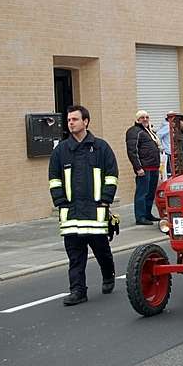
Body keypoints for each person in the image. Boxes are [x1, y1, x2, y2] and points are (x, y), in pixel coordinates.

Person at [48, 105, 118, 306]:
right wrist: (60, 202)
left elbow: (111, 175)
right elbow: (54, 179)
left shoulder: (101, 148)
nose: (71, 123)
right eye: (69, 120)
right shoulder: (61, 151)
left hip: (95, 211)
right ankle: (78, 291)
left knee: (101, 250)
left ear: (86, 121)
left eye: (75, 119)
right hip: (70, 212)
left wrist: (105, 199)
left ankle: (108, 275)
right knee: (75, 256)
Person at [126, 110, 161, 225]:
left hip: (154, 167)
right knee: (142, 192)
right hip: (144, 168)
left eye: (147, 117)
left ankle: (147, 213)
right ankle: (140, 216)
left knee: (150, 192)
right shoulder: (134, 132)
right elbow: (132, 151)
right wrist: (138, 168)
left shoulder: (148, 131)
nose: (145, 119)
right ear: (137, 119)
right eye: (142, 117)